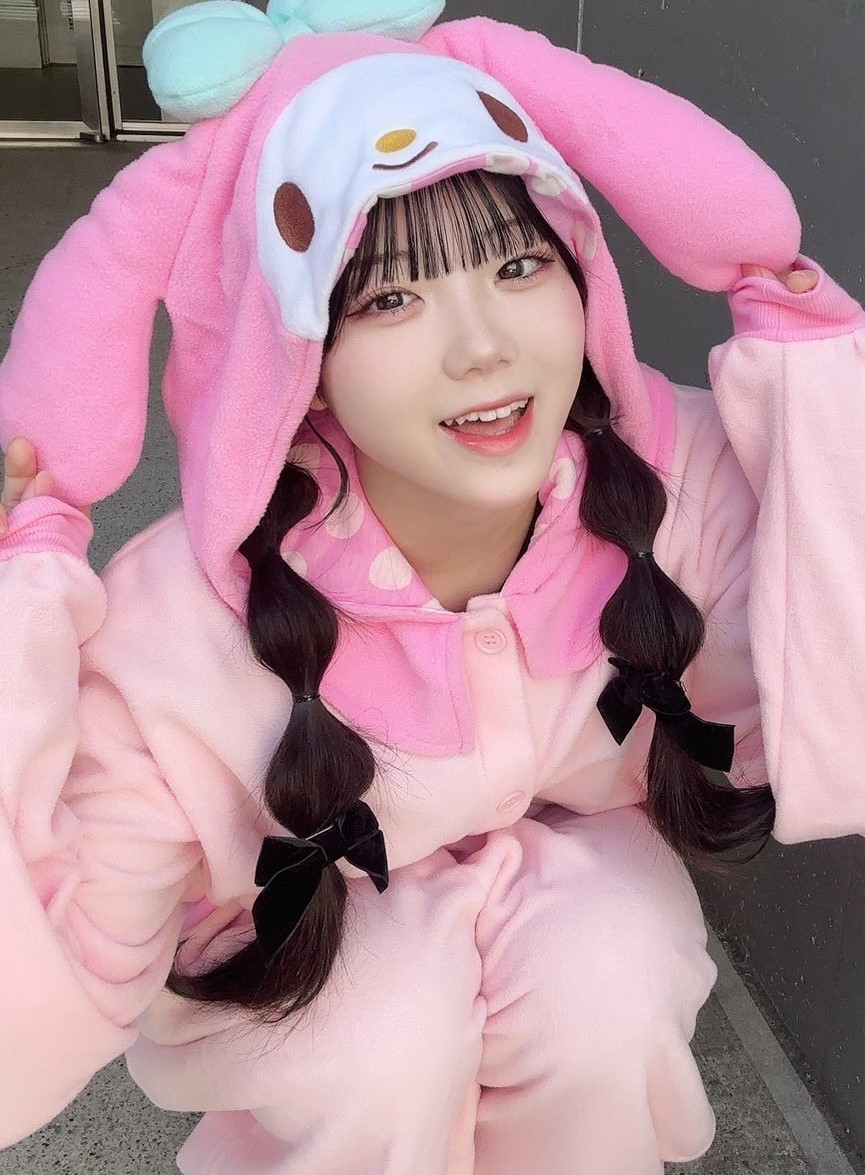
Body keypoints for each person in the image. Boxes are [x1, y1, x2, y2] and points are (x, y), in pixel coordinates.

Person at [1, 4, 864, 1174]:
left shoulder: (673, 482)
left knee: (608, 974)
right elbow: (52, 964)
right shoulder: (182, 627)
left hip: (560, 865)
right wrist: (24, 587)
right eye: (389, 299)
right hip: (290, 922)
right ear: (300, 362)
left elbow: (829, 652)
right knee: (379, 1040)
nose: (482, 347)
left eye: (518, 264)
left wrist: (800, 336)